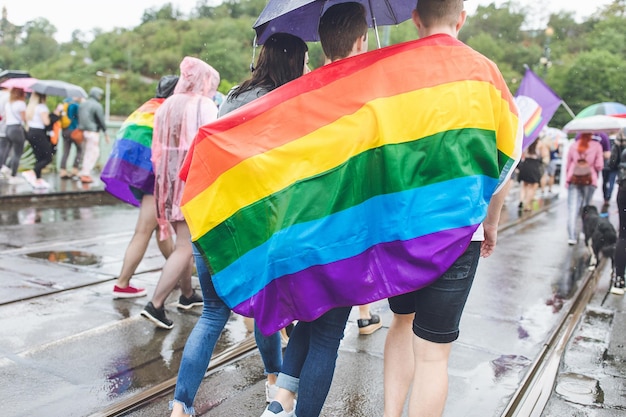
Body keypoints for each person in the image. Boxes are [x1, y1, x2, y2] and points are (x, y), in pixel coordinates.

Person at [380, 3, 520, 417]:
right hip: (461, 231)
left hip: (402, 229)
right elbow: (505, 158)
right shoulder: (487, 75)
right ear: (461, 18)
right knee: (434, 355)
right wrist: (491, 223)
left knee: (401, 324)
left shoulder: (390, 70)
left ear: (415, 18)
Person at [169, 32, 311, 417]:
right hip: (256, 225)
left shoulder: (232, 96)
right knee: (267, 303)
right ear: (294, 63)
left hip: (213, 215)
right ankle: (275, 382)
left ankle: (180, 405)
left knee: (214, 313)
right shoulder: (291, 103)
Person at [261, 4, 369, 417]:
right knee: (327, 335)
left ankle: (279, 405)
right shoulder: (368, 97)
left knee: (308, 318)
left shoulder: (297, 92)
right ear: (361, 40)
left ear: (320, 42)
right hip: (345, 230)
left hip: (298, 227)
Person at [140, 56, 220, 329]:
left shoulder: (166, 106)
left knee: (181, 245)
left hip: (167, 183)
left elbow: (159, 149)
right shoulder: (204, 105)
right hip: (191, 184)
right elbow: (209, 146)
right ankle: (156, 304)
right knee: (186, 246)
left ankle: (187, 295)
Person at [103, 75, 179, 298]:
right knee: (144, 231)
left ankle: (175, 274)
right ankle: (122, 283)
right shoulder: (169, 112)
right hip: (153, 179)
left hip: (137, 174)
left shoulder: (148, 107)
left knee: (160, 229)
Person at [565, 132, 604, 245]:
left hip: (574, 178)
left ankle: (572, 236)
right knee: (586, 208)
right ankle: (584, 232)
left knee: (573, 208)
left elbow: (568, 164)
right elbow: (599, 165)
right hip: (589, 179)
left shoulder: (573, 145)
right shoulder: (597, 146)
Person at [22, 92, 57, 190]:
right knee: (47, 157)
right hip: (39, 133)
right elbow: (46, 122)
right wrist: (55, 114)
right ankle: (33, 172)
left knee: (39, 157)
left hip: (31, 132)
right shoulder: (42, 107)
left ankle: (38, 178)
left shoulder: (31, 107)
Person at [77, 87, 110, 184]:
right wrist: (105, 132)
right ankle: (85, 174)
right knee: (93, 153)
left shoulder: (83, 104)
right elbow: (101, 120)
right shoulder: (97, 105)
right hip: (92, 132)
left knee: (86, 152)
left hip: (83, 131)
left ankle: (83, 171)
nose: (100, 97)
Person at [0, 87, 27, 184]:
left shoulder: (9, 104)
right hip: (17, 129)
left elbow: (6, 117)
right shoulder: (21, 104)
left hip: (8, 128)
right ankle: (13, 176)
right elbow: (24, 118)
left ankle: (5, 167)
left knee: (8, 148)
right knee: (17, 153)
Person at [517, 137, 549, 211]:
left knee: (524, 185)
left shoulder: (526, 142)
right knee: (533, 186)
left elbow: (522, 153)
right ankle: (526, 204)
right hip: (535, 165)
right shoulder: (541, 144)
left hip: (525, 164)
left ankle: (521, 200)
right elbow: (545, 157)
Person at [612, 128, 626, 295]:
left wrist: (619, 145)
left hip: (624, 190)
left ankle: (619, 279)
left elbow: (611, 165)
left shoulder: (622, 138)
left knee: (623, 235)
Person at [58, 97, 83, 180]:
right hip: (74, 131)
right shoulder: (75, 105)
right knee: (80, 150)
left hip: (64, 130)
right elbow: (80, 117)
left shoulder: (64, 104)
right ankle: (75, 169)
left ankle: (63, 171)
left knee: (66, 151)